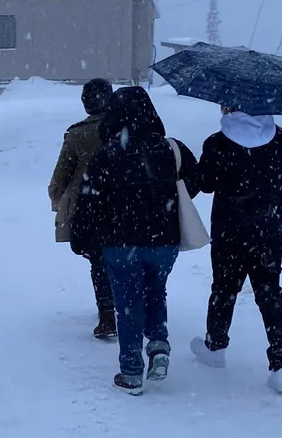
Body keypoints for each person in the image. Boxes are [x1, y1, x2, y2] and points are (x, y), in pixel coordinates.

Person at [72, 87, 199, 395]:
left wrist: (82, 236)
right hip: (164, 242)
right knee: (156, 291)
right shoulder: (172, 148)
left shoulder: (107, 153)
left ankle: (131, 373)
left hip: (120, 243)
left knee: (128, 305)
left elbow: (88, 201)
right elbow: (195, 184)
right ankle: (158, 345)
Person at [191, 107, 282, 394]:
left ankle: (215, 346)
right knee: (271, 293)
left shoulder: (218, 141)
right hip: (269, 229)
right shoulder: (279, 138)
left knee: (224, 288)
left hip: (230, 229)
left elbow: (207, 183)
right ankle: (281, 364)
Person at [48, 78, 117, 339]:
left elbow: (61, 176)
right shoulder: (129, 128)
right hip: (128, 206)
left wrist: (59, 199)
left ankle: (107, 315)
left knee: (99, 262)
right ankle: (131, 308)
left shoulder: (78, 134)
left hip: (89, 207)